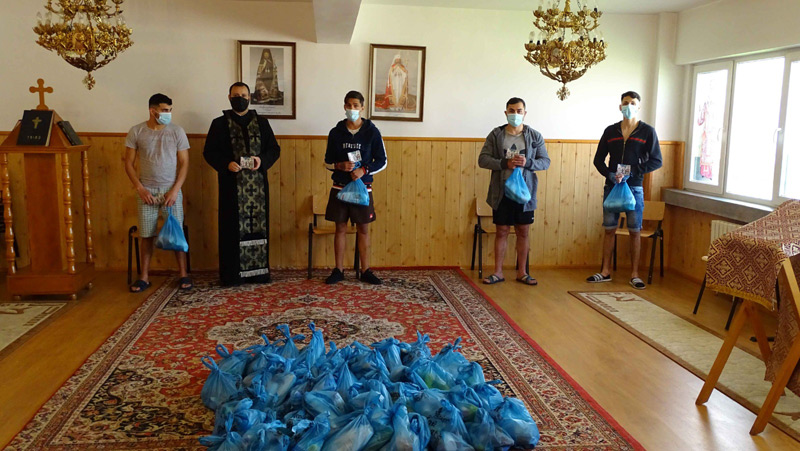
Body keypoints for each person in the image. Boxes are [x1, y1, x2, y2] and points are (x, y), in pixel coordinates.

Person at [203, 82, 281, 286]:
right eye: (236, 95)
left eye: (244, 95)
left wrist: (261, 160)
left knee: (257, 227)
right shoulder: (219, 124)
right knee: (231, 229)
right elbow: (209, 152)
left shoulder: (262, 123)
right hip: (231, 186)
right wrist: (225, 164)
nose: (240, 98)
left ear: (250, 97)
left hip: (258, 188)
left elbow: (274, 149)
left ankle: (258, 273)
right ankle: (232, 275)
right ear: (229, 97)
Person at [586, 91, 662, 290]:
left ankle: (635, 274)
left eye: (633, 103)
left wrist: (634, 171)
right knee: (609, 229)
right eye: (626, 103)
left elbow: (657, 160)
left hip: (634, 187)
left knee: (634, 231)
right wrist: (610, 175)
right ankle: (605, 271)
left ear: (638, 106)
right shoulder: (610, 131)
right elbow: (598, 160)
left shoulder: (647, 131)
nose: (629, 106)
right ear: (620, 107)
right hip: (612, 187)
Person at [478, 97, 550, 286]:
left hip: (525, 193)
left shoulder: (534, 136)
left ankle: (522, 273)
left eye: (519, 111)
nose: (515, 114)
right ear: (506, 113)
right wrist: (504, 163)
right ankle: (498, 272)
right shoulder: (496, 135)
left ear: (525, 113)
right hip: (501, 192)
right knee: (501, 231)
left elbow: (545, 162)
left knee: (523, 231)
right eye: (511, 111)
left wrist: (528, 163)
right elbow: (483, 159)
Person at [124, 93, 191, 292]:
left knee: (177, 232)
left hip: (171, 190)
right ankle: (144, 277)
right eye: (164, 110)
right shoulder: (136, 131)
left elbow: (184, 163)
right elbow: (128, 163)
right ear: (152, 111)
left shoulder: (177, 131)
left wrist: (175, 190)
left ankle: (183, 274)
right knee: (146, 234)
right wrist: (140, 188)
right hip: (147, 191)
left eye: (170, 110)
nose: (168, 113)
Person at [324, 90, 387, 285]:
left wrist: (364, 170)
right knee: (340, 228)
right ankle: (338, 270)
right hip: (340, 187)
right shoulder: (335, 133)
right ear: (344, 107)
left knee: (363, 229)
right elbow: (326, 161)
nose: (352, 109)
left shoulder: (372, 132)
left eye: (356, 106)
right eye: (349, 105)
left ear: (362, 107)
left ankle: (366, 270)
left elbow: (382, 161)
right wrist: (339, 166)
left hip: (363, 188)